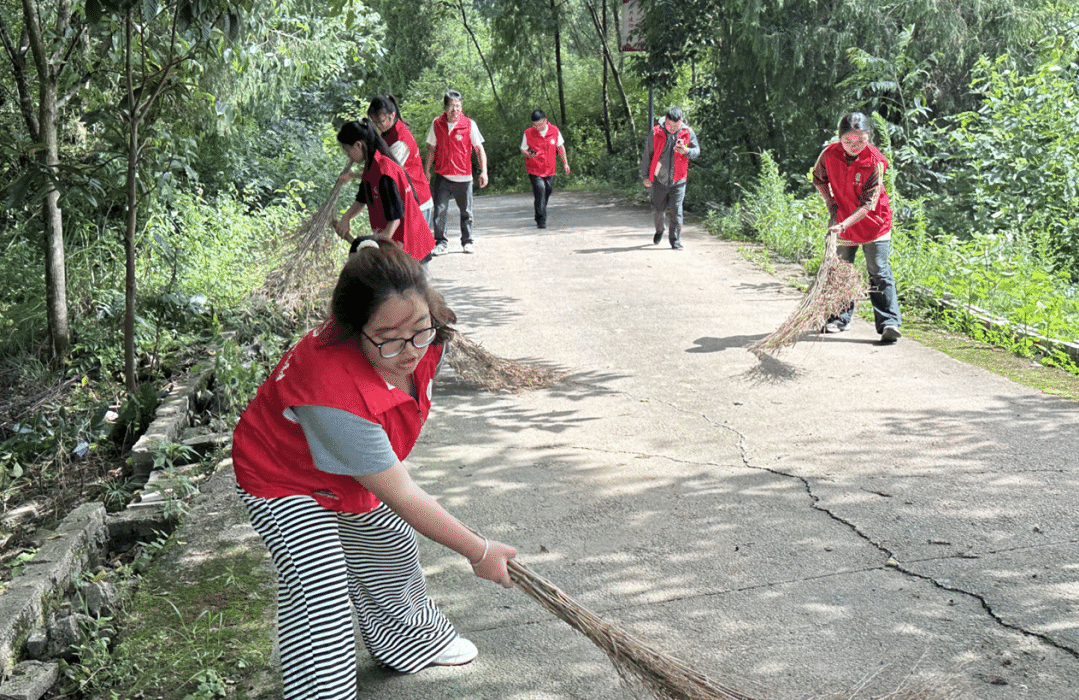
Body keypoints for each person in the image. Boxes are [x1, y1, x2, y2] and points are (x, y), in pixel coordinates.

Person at [232, 239, 517, 699]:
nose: (410, 351)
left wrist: (414, 335)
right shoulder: (331, 391)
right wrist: (478, 551)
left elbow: (390, 472)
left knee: (390, 546)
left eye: (419, 329)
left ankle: (410, 641)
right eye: (388, 337)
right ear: (353, 329)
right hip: (281, 476)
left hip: (345, 469)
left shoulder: (431, 334)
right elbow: (401, 493)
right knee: (318, 588)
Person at [811, 111, 903, 343]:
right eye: (848, 140)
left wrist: (843, 224)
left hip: (874, 222)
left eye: (861, 140)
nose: (854, 145)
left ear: (869, 137)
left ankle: (889, 323)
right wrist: (830, 202)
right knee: (842, 271)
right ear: (839, 138)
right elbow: (818, 178)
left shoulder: (875, 161)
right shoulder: (829, 154)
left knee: (878, 270)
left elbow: (868, 204)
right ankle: (839, 318)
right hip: (843, 220)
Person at [334, 120, 435, 266]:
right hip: (396, 242)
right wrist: (346, 218)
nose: (349, 156)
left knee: (413, 281)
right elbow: (362, 199)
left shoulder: (384, 170)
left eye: (347, 150)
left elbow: (396, 218)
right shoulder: (371, 166)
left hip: (410, 242)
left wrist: (380, 246)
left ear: (358, 145)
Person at [424, 89, 488, 255]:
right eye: (452, 106)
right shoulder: (437, 124)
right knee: (440, 210)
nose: (455, 110)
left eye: (458, 106)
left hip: (464, 177)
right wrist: (427, 171)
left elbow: (479, 149)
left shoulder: (469, 124)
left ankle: (467, 241)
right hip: (442, 176)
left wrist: (484, 171)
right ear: (445, 108)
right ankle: (441, 243)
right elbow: (431, 149)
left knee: (466, 211)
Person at [367, 95, 435, 228]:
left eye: (381, 121)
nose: (378, 126)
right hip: (407, 199)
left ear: (392, 115)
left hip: (418, 200)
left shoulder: (399, 140)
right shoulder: (388, 132)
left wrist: (355, 175)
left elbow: (385, 172)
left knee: (416, 242)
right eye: (374, 122)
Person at [639, 106, 700, 250]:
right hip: (659, 178)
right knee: (658, 208)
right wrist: (645, 176)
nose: (671, 128)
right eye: (668, 124)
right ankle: (660, 229)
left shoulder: (688, 132)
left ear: (681, 121)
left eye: (675, 125)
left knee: (677, 211)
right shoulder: (655, 132)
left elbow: (697, 151)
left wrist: (686, 151)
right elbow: (647, 155)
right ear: (665, 120)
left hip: (679, 179)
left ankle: (675, 240)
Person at [520, 109, 570, 229]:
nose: (537, 128)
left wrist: (565, 163)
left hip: (550, 169)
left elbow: (560, 147)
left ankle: (541, 209)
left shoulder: (554, 131)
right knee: (540, 190)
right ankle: (541, 219)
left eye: (540, 125)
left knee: (547, 190)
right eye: (535, 125)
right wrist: (527, 153)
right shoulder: (528, 133)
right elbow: (523, 149)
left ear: (545, 121)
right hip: (534, 169)